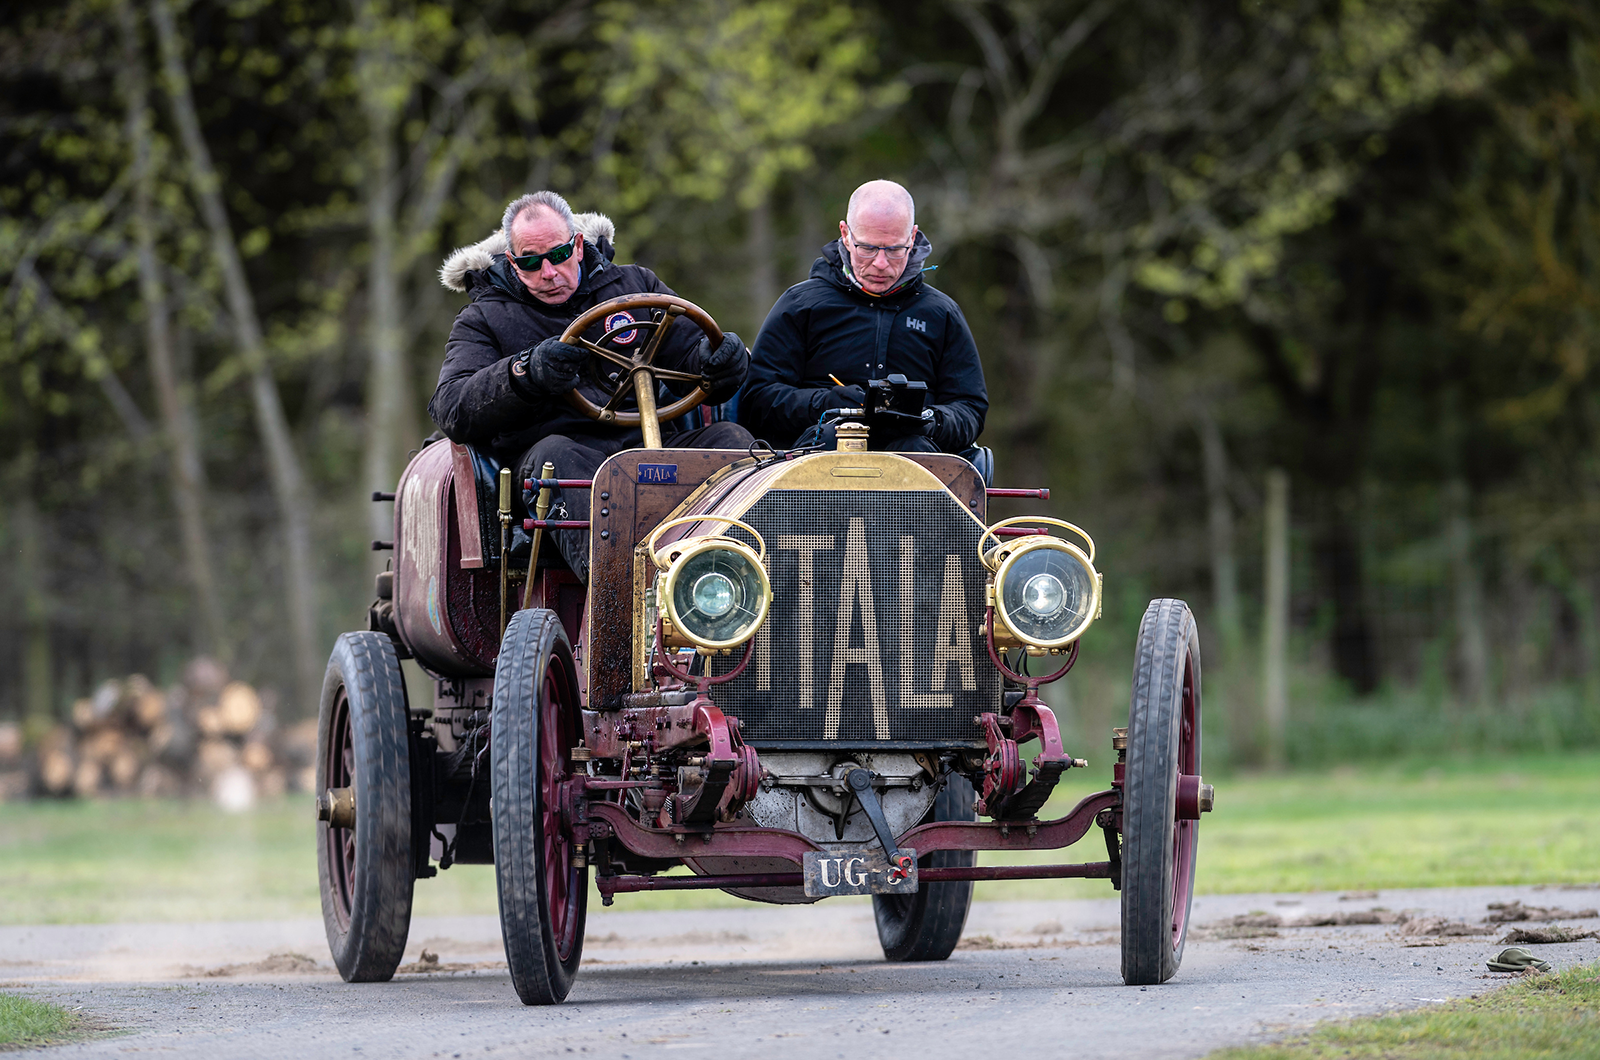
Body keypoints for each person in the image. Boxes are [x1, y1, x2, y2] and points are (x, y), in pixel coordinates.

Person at [430, 190, 753, 582]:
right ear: (512, 263)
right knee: (556, 458)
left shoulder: (635, 285)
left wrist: (721, 362)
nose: (548, 272)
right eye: (531, 262)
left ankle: (744, 581)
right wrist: (526, 373)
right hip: (557, 456)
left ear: (578, 246)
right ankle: (621, 593)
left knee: (733, 441)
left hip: (646, 445)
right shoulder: (483, 318)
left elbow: (693, 354)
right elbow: (451, 408)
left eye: (558, 255)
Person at [739, 179, 987, 453]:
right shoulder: (800, 304)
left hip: (915, 463)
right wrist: (826, 404)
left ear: (912, 238)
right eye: (867, 248)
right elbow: (756, 400)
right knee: (831, 440)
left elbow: (970, 408)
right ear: (845, 234)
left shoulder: (941, 313)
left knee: (914, 449)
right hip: (816, 462)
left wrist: (929, 421)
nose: (880, 264)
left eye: (895, 250)